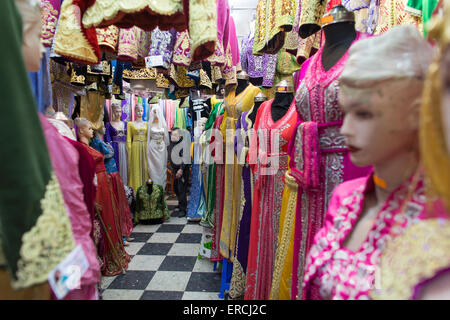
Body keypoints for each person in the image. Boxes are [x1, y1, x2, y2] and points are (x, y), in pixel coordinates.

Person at [301, 25, 447, 300]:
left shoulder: (438, 218)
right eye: (346, 113)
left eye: (364, 114)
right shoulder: (345, 199)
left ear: (414, 115)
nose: (345, 130)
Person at [169, 127, 190, 217]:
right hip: (174, 169)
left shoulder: (184, 144)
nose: (172, 137)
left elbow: (186, 158)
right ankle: (181, 203)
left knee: (182, 189)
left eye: (175, 135)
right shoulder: (172, 143)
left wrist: (181, 170)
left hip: (183, 169)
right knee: (176, 188)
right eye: (172, 135)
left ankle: (183, 209)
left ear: (180, 135)